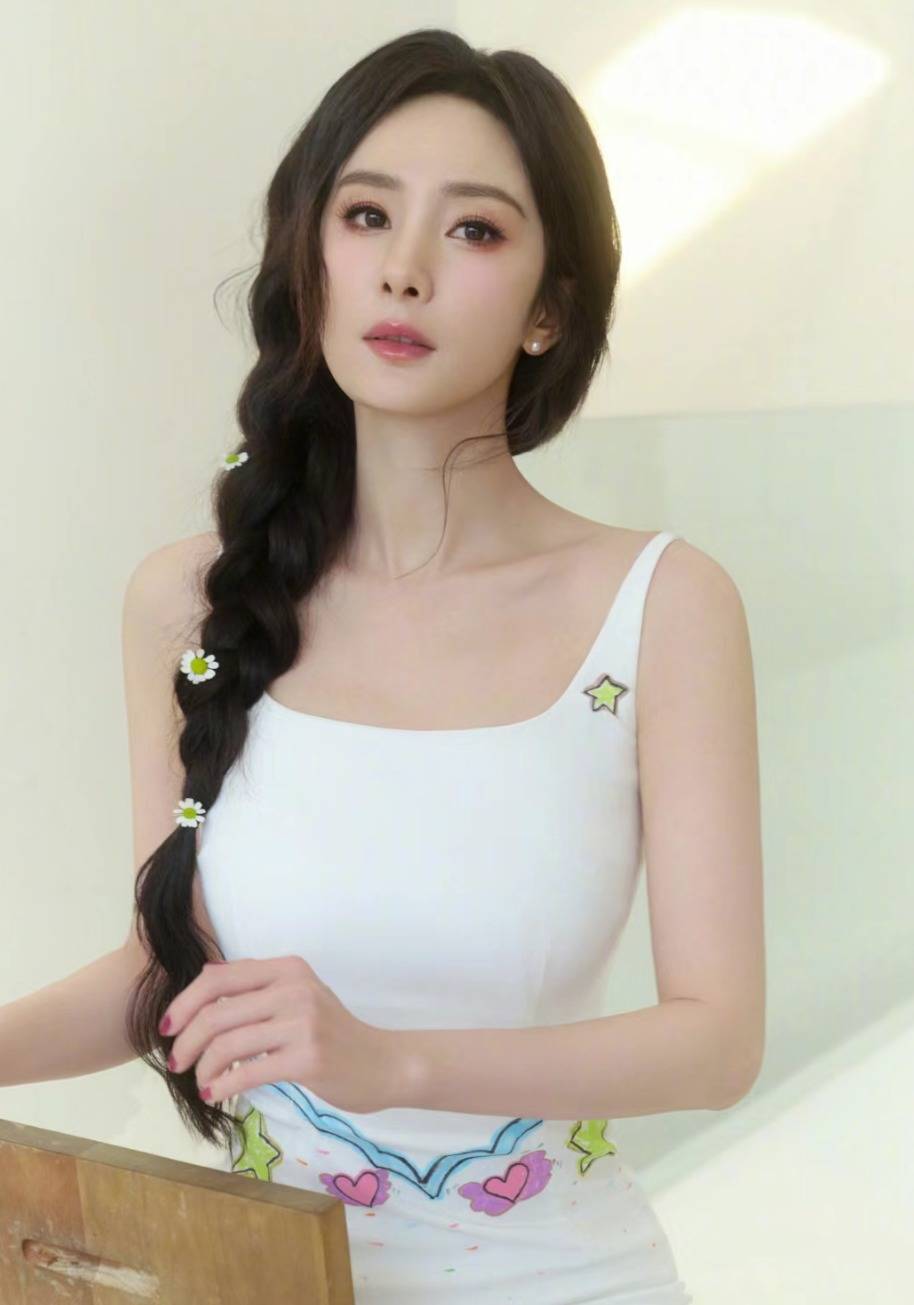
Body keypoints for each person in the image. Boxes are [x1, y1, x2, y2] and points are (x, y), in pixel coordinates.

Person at [2, 28, 765, 1305]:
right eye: (365, 216)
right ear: (310, 261)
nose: (403, 270)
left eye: (473, 230)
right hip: (256, 1277)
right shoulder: (186, 605)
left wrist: (392, 1063)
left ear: (549, 308)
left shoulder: (657, 607)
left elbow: (714, 1042)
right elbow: (164, 969)